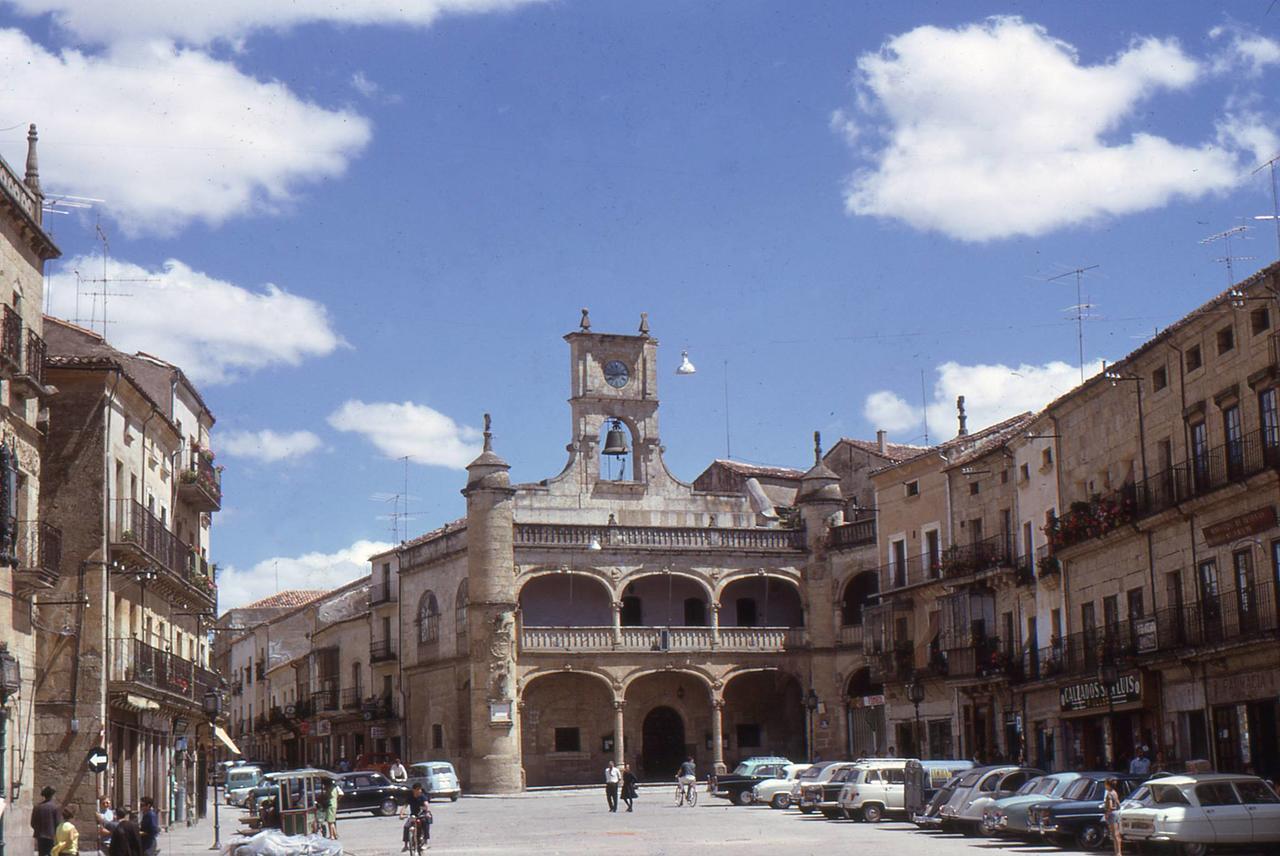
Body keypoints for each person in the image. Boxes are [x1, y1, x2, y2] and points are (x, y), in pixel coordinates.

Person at [31, 786, 61, 856]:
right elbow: (57, 823)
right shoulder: (55, 807)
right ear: (52, 795)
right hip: (51, 835)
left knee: (42, 853)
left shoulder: (37, 807)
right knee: (51, 853)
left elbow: (32, 823)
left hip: (40, 835)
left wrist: (38, 830)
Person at [402, 783, 431, 852]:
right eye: (418, 789)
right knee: (406, 826)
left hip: (422, 814)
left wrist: (427, 812)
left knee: (425, 823)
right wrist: (401, 814)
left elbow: (426, 804)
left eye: (420, 789)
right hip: (413, 815)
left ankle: (426, 842)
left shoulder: (422, 796)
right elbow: (405, 806)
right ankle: (406, 845)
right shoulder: (410, 797)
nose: (419, 791)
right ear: (414, 790)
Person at [1102, 778, 1123, 856]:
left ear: (1107, 785)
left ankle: (1117, 853)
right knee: (1117, 834)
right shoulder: (1115, 792)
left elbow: (1110, 806)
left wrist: (1107, 812)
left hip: (1112, 814)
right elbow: (1118, 803)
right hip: (1117, 813)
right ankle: (1118, 851)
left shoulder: (1109, 794)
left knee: (1114, 834)